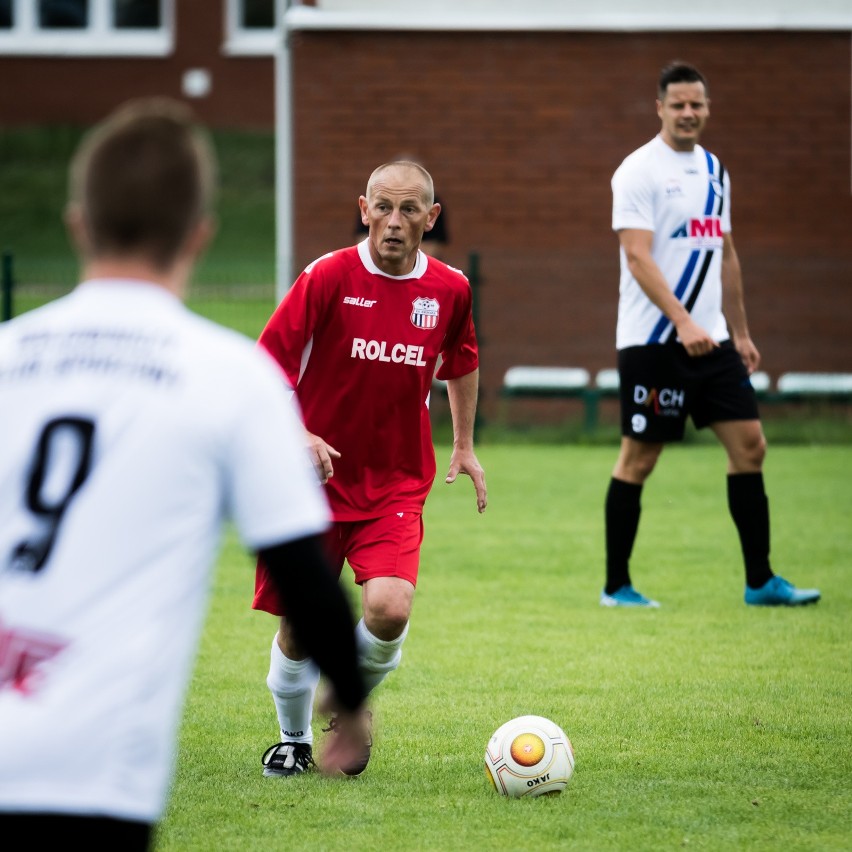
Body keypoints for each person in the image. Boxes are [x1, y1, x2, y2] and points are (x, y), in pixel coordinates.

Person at [0, 98, 369, 850]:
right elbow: (302, 570)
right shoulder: (226, 376)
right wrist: (351, 697)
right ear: (199, 236)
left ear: (77, 224)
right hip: (88, 767)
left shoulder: (8, 354)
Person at [253, 159, 487, 778]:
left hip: (395, 484)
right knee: (301, 630)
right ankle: (294, 739)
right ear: (364, 209)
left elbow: (461, 362)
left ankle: (348, 704)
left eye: (409, 210)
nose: (394, 221)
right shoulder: (326, 277)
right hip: (312, 482)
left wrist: (463, 444)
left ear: (430, 219)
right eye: (382, 207)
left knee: (390, 608)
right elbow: (266, 366)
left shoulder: (450, 290)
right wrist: (297, 431)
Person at [602, 61, 820, 609]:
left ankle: (760, 581)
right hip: (655, 341)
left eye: (697, 104)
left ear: (707, 108)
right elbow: (636, 254)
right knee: (639, 459)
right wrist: (682, 321)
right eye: (678, 104)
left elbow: (724, 254)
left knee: (751, 447)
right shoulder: (637, 171)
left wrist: (739, 333)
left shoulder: (717, 172)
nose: (688, 113)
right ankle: (616, 587)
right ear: (659, 108)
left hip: (715, 343)